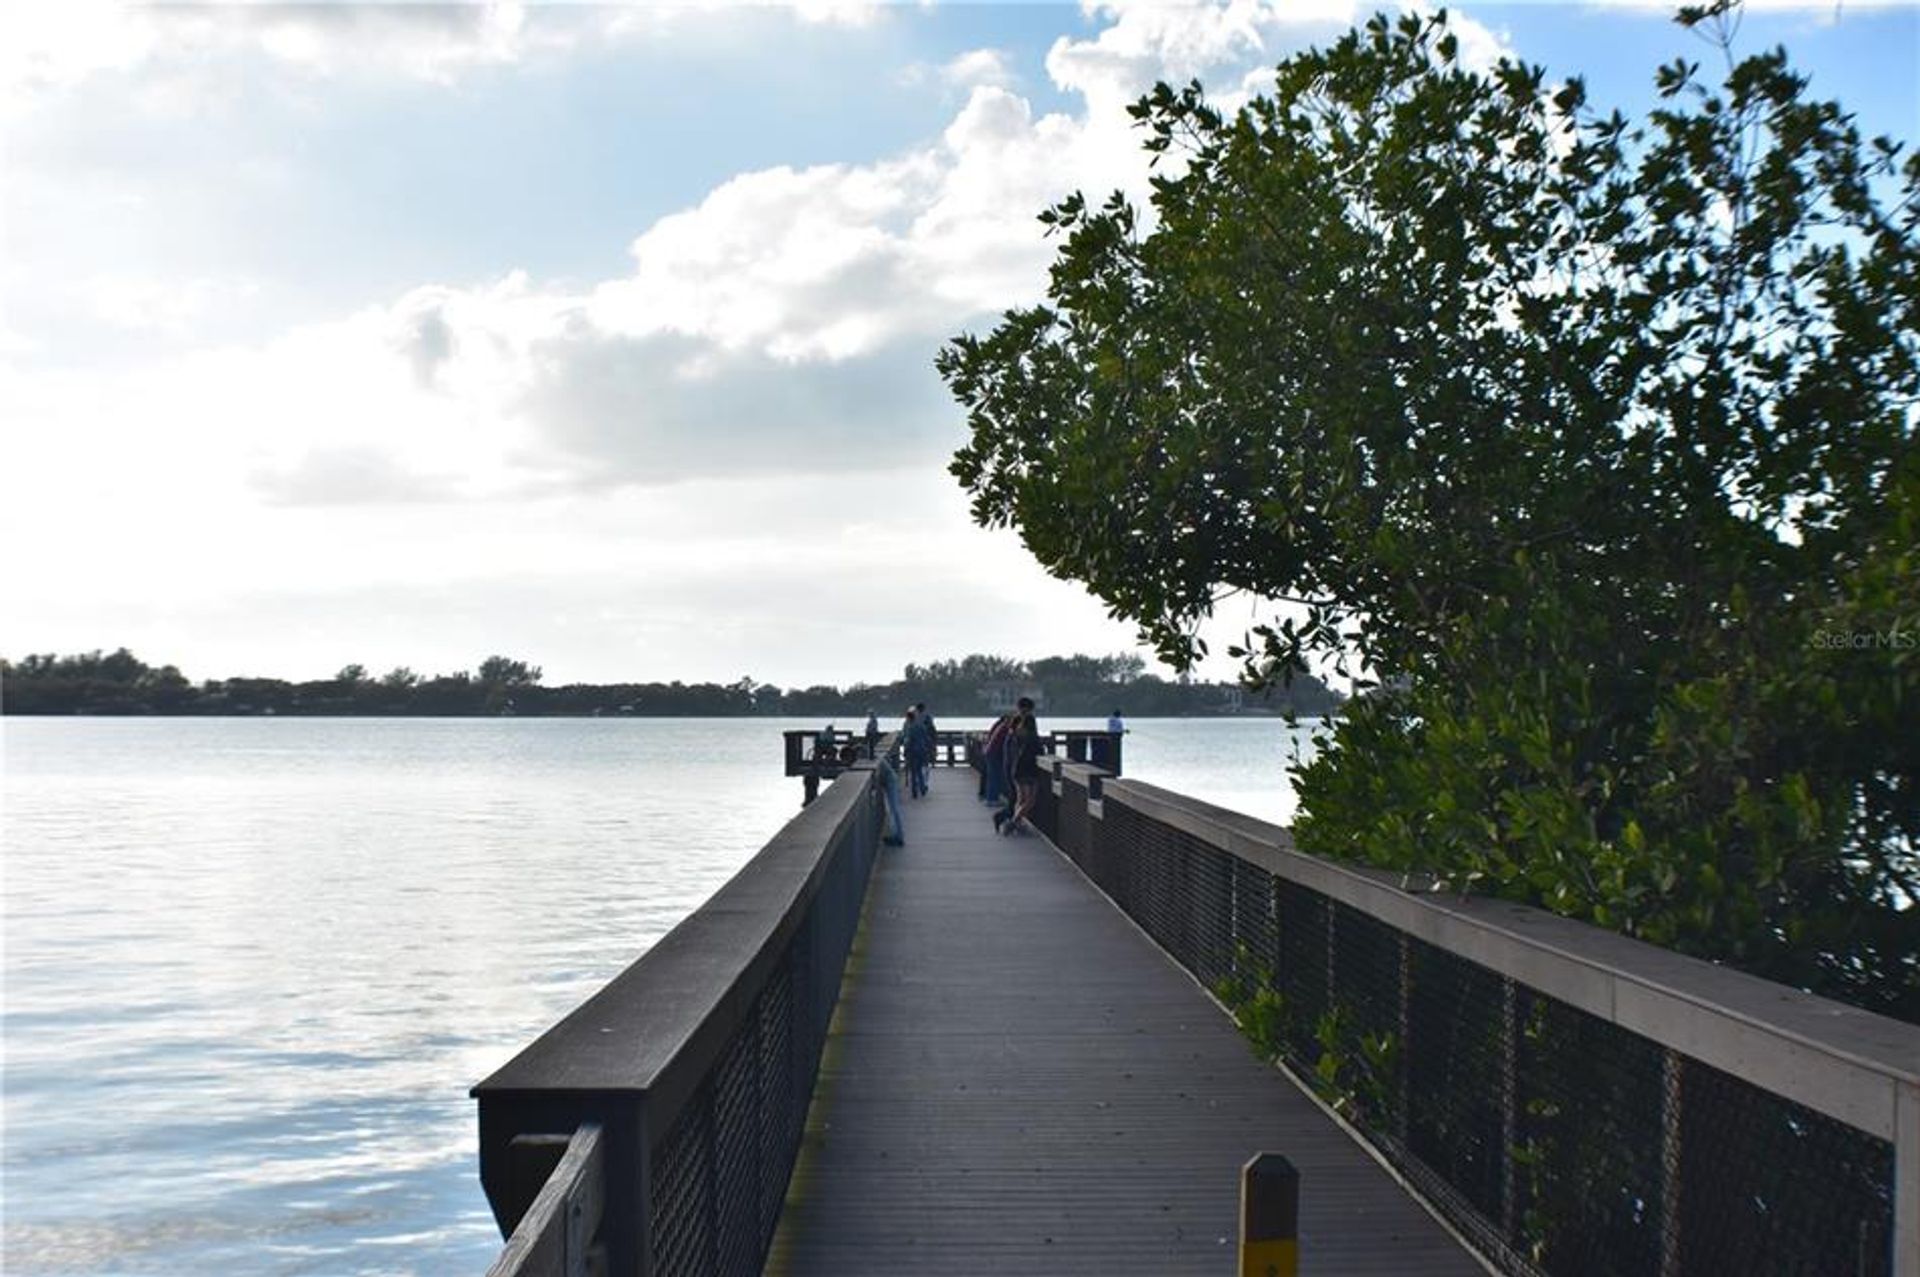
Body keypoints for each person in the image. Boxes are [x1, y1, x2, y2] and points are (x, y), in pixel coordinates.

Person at [998, 697, 1042, 834]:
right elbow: (1034, 741)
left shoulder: (1014, 725)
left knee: (1021, 798)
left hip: (1016, 766)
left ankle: (1016, 823)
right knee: (1030, 800)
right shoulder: (1029, 721)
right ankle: (1013, 823)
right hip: (1028, 766)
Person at [980, 711, 1013, 810]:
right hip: (994, 755)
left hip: (991, 753)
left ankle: (992, 798)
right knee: (994, 776)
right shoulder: (1005, 729)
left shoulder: (1000, 727)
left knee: (993, 776)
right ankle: (992, 799)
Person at [876, 749, 906, 846]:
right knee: (893, 809)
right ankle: (896, 834)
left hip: (890, 781)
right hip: (890, 779)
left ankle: (898, 836)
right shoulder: (873, 755)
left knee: (894, 809)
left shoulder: (869, 758)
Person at [902, 708, 931, 799]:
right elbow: (927, 738)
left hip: (913, 752)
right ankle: (922, 789)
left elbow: (909, 741)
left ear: (909, 718)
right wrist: (929, 748)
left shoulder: (911, 728)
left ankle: (914, 792)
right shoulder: (921, 726)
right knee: (919, 771)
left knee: (913, 772)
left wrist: (905, 750)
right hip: (922, 751)